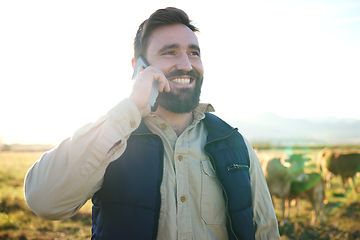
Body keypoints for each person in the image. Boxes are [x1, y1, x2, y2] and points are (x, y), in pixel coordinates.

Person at [24, 7, 280, 240]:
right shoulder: (112, 136)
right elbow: (43, 200)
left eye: (193, 53)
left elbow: (266, 231)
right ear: (139, 68)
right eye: (170, 52)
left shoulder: (234, 142)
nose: (186, 64)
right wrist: (132, 107)